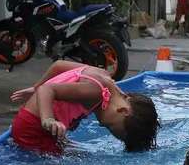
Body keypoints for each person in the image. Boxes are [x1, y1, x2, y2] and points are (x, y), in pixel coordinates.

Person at [10, 61, 160, 154]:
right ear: (123, 111)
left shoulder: (103, 76)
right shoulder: (96, 92)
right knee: (60, 162)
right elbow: (47, 90)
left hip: (36, 125)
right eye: (109, 126)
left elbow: (58, 66)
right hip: (32, 128)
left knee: (71, 149)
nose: (101, 124)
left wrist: (36, 87)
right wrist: (48, 118)